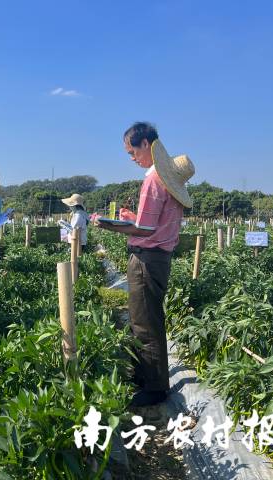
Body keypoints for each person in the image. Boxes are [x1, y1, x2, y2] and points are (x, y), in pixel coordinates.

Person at [97, 122, 195, 407]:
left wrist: (111, 225)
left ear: (146, 145)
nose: (132, 158)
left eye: (132, 152)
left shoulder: (153, 180)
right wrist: (131, 217)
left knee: (145, 324)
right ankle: (144, 377)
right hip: (160, 258)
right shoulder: (169, 184)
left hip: (147, 258)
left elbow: (145, 231)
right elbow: (151, 222)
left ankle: (154, 387)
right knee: (146, 317)